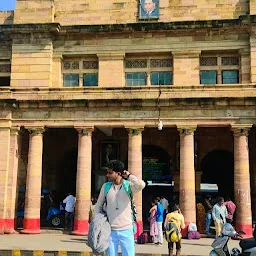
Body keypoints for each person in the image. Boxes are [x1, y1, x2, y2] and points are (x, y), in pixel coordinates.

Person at [94, 160, 145, 256]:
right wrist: (97, 223)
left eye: (110, 173)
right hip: (109, 230)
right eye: (107, 172)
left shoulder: (128, 186)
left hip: (127, 229)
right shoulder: (106, 187)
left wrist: (129, 176)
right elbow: (98, 206)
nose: (107, 175)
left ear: (118, 173)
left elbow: (141, 185)